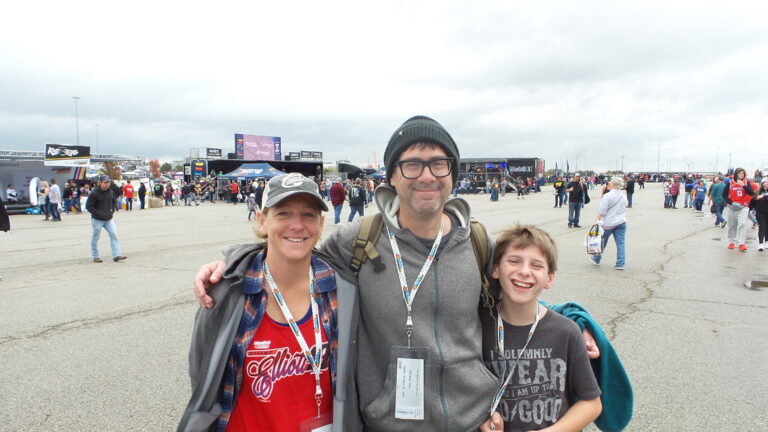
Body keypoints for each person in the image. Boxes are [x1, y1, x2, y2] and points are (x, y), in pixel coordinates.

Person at [193, 116, 605, 431]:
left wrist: (576, 326)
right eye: (412, 165)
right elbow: (293, 246)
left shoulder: (478, 243)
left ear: (452, 175)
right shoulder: (360, 239)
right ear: (391, 176)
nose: (426, 175)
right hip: (387, 423)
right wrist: (230, 264)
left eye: (438, 164)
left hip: (472, 421)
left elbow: (520, 288)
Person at [177, 173, 351, 432]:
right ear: (261, 221)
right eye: (283, 213)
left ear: (321, 223)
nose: (297, 225)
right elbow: (203, 382)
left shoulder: (342, 291)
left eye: (308, 214)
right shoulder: (227, 293)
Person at [479, 225, 602, 431]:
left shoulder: (566, 332)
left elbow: (591, 403)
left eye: (536, 265)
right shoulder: (478, 326)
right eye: (514, 261)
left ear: (549, 279)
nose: (524, 271)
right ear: (495, 269)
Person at [86, 175, 126, 263]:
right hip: (97, 219)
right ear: (100, 183)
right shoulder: (94, 193)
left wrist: (111, 211)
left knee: (114, 235)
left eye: (108, 182)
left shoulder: (111, 191)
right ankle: (96, 256)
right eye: (105, 182)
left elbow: (114, 201)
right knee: (96, 237)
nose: (107, 184)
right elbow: (88, 206)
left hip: (108, 219)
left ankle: (116, 255)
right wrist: (97, 213)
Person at [591, 177, 628, 270]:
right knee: (621, 244)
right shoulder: (623, 195)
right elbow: (626, 205)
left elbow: (602, 211)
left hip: (608, 223)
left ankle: (596, 258)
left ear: (613, 185)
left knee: (602, 242)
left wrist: (596, 221)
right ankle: (620, 263)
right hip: (621, 222)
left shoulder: (607, 196)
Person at [723, 167, 755, 251]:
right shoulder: (730, 183)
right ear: (736, 174)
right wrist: (731, 202)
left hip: (743, 206)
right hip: (732, 206)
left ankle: (741, 243)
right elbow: (724, 195)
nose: (741, 175)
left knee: (742, 224)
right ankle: (731, 241)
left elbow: (752, 193)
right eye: (740, 173)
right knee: (732, 225)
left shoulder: (746, 182)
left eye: (743, 173)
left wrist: (744, 186)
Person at [754, 179, 768, 251]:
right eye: (766, 182)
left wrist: (764, 196)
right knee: (762, 227)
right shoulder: (758, 190)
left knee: (767, 227)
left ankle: (766, 241)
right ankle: (760, 243)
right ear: (762, 183)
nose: (767, 184)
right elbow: (755, 198)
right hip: (760, 212)